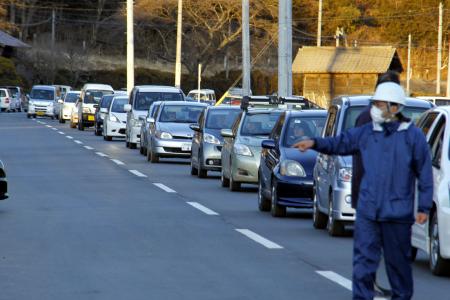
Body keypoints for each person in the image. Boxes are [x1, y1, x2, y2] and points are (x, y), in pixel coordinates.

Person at [293, 82, 433, 300]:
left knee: (399, 267)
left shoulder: (413, 137)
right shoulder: (366, 133)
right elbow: (340, 143)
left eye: (379, 104)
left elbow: (425, 174)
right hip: (368, 211)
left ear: (394, 107)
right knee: (363, 264)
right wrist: (313, 143)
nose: (374, 109)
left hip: (397, 214)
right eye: (374, 104)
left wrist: (424, 207)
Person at [352, 71, 400, 297]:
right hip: (369, 191)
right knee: (369, 243)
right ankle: (367, 282)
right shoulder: (366, 118)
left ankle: (371, 280)